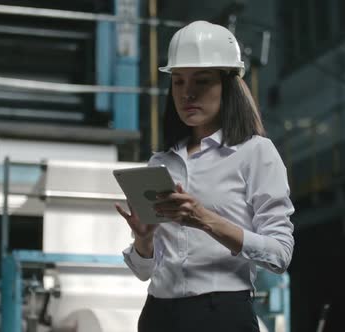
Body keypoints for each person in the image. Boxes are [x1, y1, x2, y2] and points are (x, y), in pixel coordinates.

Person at [115, 20, 294, 332]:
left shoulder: (255, 153)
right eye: (179, 82)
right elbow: (144, 271)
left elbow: (280, 255)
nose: (188, 94)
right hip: (158, 315)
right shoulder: (161, 162)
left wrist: (204, 218)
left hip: (221, 315)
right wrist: (143, 238)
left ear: (227, 85)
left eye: (202, 81)